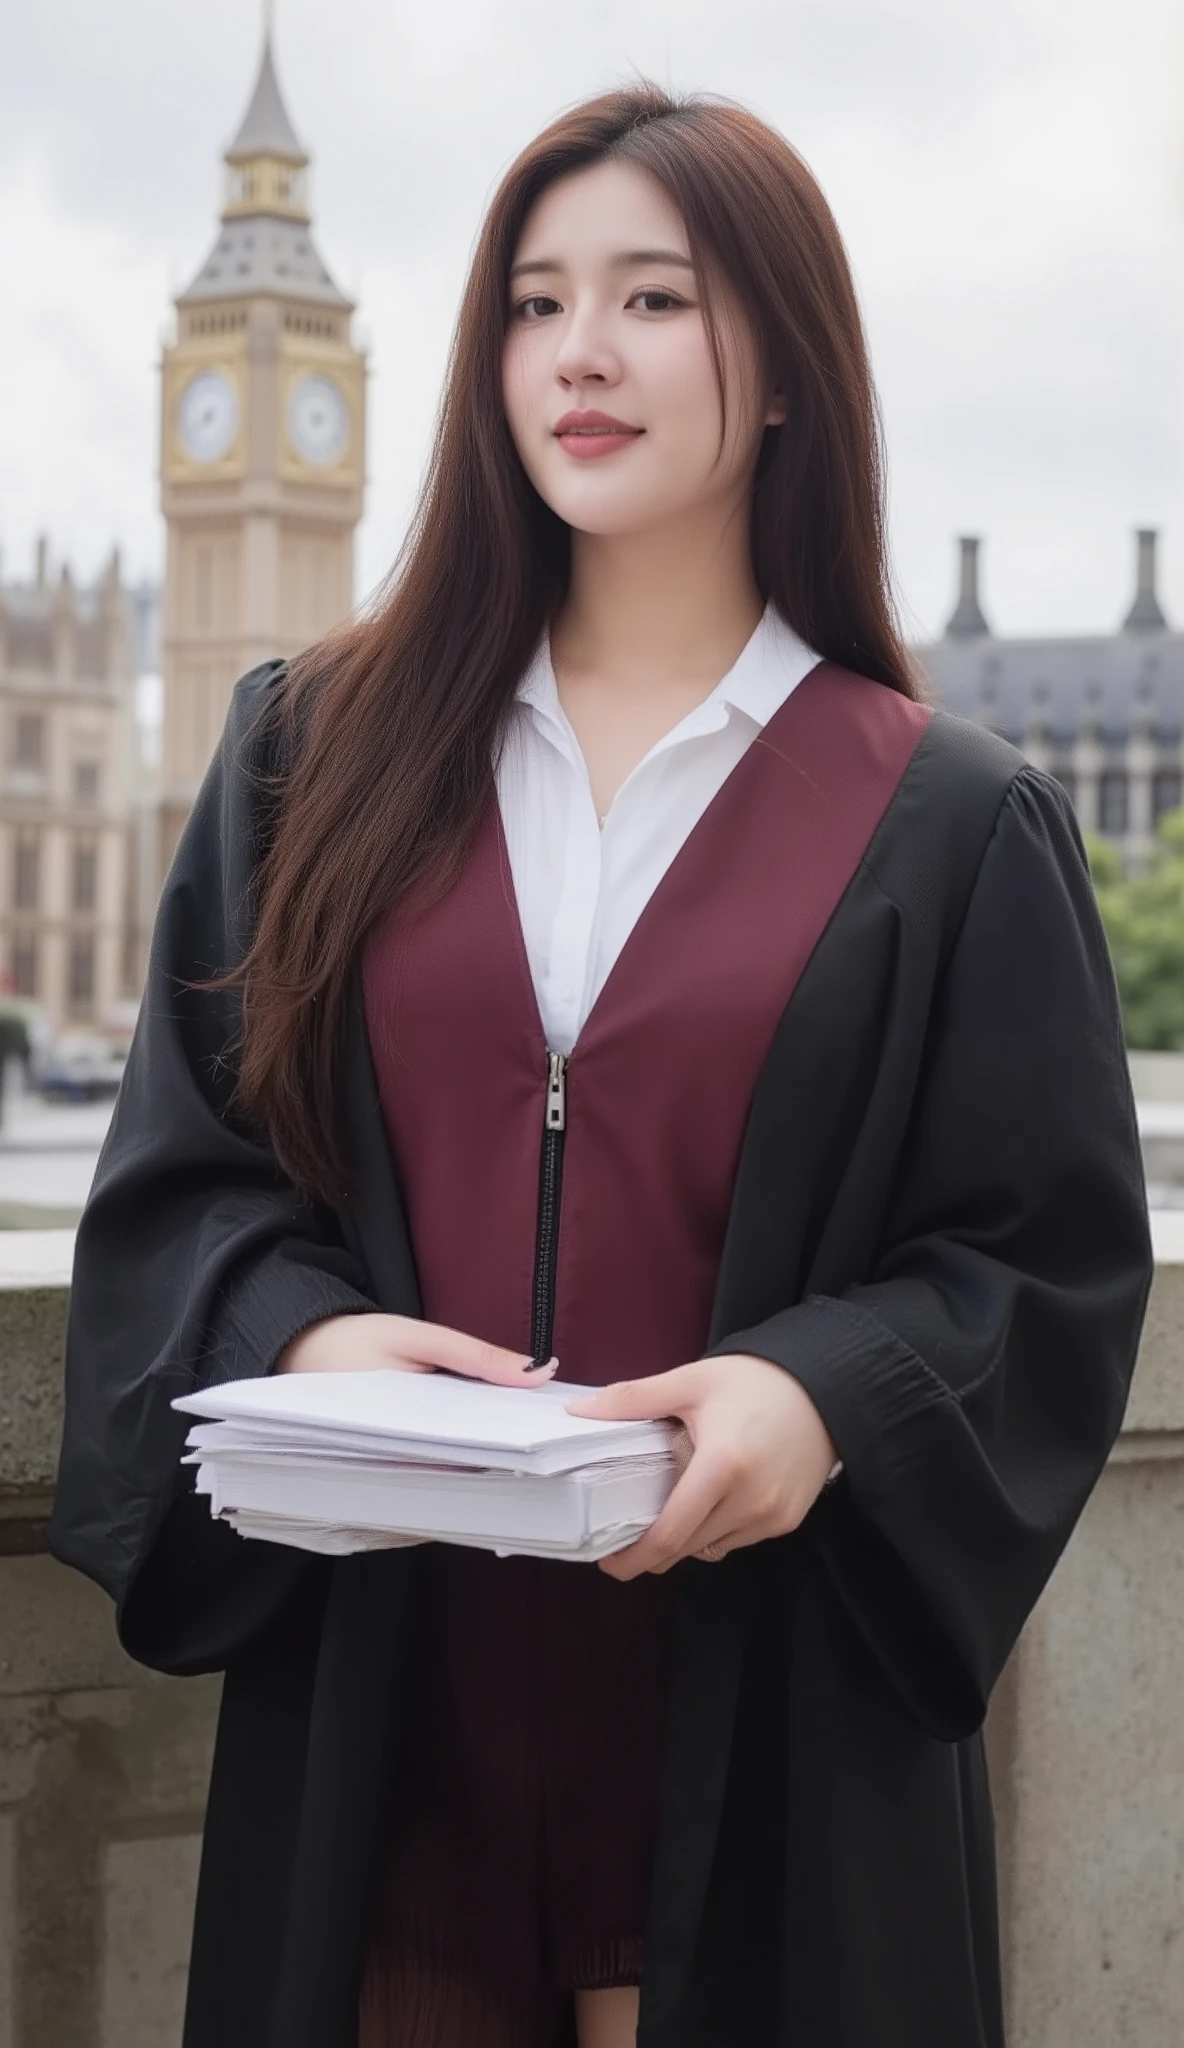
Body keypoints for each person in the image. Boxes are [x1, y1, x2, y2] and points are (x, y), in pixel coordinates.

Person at [51, 83, 1151, 2048]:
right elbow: (184, 1175)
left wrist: (814, 1395)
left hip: (770, 1727)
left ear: (785, 365)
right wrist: (309, 1342)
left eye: (654, 298)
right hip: (388, 1711)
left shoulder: (946, 819)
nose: (579, 352)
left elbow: (1037, 1259)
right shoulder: (316, 755)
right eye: (534, 301)